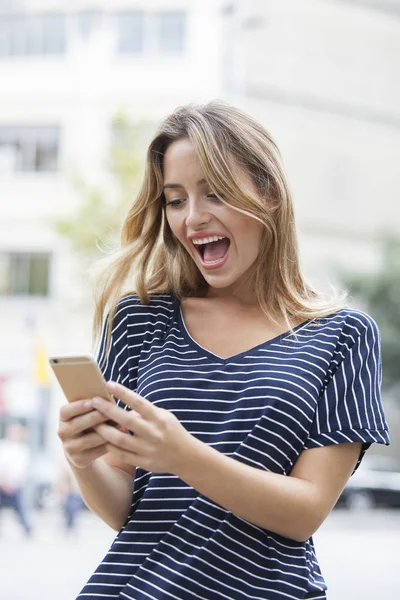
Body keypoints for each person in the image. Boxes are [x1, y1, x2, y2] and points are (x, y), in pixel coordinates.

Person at [58, 101, 390, 600]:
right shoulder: (139, 319)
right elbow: (128, 510)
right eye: (174, 200)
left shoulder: (342, 336)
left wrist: (182, 454)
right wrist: (82, 461)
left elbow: (306, 513)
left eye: (214, 193)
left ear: (269, 194)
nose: (192, 218)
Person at [0, 423, 32, 536]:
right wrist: (4, 482)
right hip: (2, 484)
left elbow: (24, 469)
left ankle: (27, 528)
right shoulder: (3, 446)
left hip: (15, 486)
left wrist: (16, 483)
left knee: (19, 508)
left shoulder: (23, 449)